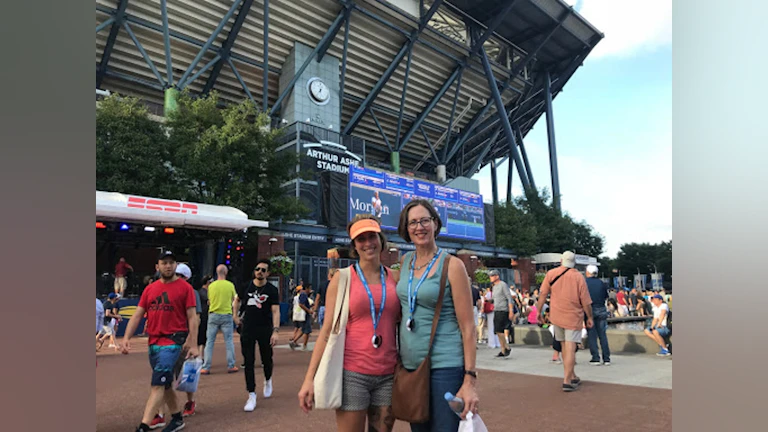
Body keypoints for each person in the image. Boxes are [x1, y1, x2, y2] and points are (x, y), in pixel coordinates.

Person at [298, 214, 400, 431]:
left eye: (372, 236)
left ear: (381, 239)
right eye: (360, 239)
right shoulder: (343, 278)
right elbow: (327, 331)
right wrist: (309, 379)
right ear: (354, 245)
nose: (368, 243)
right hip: (352, 373)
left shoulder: (395, 278)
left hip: (388, 374)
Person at [395, 199, 479, 431]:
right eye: (413, 222)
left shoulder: (452, 265)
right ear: (406, 228)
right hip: (412, 366)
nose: (419, 227)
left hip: (445, 365)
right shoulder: (405, 262)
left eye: (424, 220)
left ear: (435, 223)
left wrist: (470, 379)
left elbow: (468, 326)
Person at [121, 250, 199, 432]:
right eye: (164, 263)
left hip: (173, 341)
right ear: (158, 266)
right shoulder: (150, 289)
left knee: (157, 384)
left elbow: (192, 317)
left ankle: (144, 425)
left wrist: (193, 342)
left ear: (176, 265)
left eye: (171, 262)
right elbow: (138, 314)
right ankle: (177, 418)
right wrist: (126, 337)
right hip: (154, 342)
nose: (168, 266)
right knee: (165, 383)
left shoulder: (185, 288)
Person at [536, 251, 593, 392]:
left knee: (563, 347)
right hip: (573, 317)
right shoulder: (578, 277)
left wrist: (538, 311)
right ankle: (567, 380)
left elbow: (543, 293)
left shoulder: (551, 274)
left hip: (556, 316)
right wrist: (589, 317)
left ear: (561, 260)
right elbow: (585, 301)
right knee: (571, 348)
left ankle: (571, 375)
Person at [233, 259, 281, 412]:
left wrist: (275, 330)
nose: (259, 271)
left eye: (263, 270)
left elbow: (275, 311)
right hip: (248, 328)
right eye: (257, 268)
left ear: (268, 273)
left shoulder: (272, 290)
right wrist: (235, 315)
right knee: (248, 361)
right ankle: (251, 394)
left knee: (266, 358)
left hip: (265, 328)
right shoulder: (246, 286)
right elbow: (237, 300)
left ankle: (268, 379)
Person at [201, 264, 238, 374]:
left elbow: (209, 300)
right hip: (226, 314)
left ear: (216, 273)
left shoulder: (211, 286)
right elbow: (234, 299)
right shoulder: (230, 285)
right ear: (226, 273)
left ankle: (206, 367)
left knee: (210, 342)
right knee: (229, 341)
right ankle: (231, 365)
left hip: (213, 314)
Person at [585, 265, 611, 366]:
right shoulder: (601, 283)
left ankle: (595, 357)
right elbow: (605, 296)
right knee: (602, 335)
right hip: (601, 309)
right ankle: (606, 358)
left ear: (588, 272)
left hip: (590, 309)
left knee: (592, 335)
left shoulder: (585, 283)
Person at [488, 269, 514, 358]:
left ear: (497, 276)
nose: (490, 278)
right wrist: (489, 300)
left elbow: (509, 298)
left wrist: (511, 311)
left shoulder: (503, 285)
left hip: (503, 310)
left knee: (499, 330)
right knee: (497, 331)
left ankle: (506, 346)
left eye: (492, 276)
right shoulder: (494, 287)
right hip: (496, 309)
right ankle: (503, 350)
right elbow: (495, 299)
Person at [289, 284, 313, 350]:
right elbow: (301, 304)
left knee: (303, 329)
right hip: (303, 315)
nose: (310, 290)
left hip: (298, 315)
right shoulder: (303, 295)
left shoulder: (298, 296)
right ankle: (304, 346)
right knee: (307, 331)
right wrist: (308, 310)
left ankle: (294, 341)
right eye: (309, 288)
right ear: (307, 288)